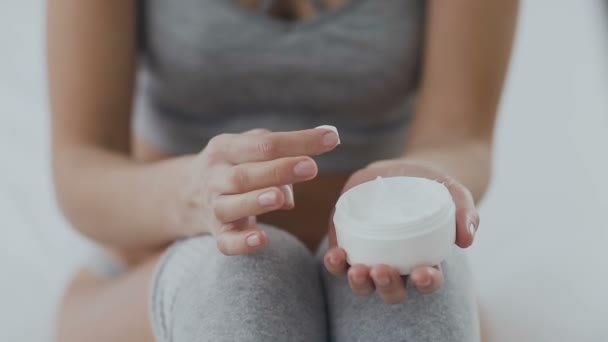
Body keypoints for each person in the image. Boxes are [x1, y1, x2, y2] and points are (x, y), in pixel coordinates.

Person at [48, 0, 518, 341]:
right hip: (163, 269)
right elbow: (80, 166)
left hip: (372, 271)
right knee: (246, 280)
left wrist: (417, 188)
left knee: (409, 292)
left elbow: (462, 139)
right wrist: (191, 192)